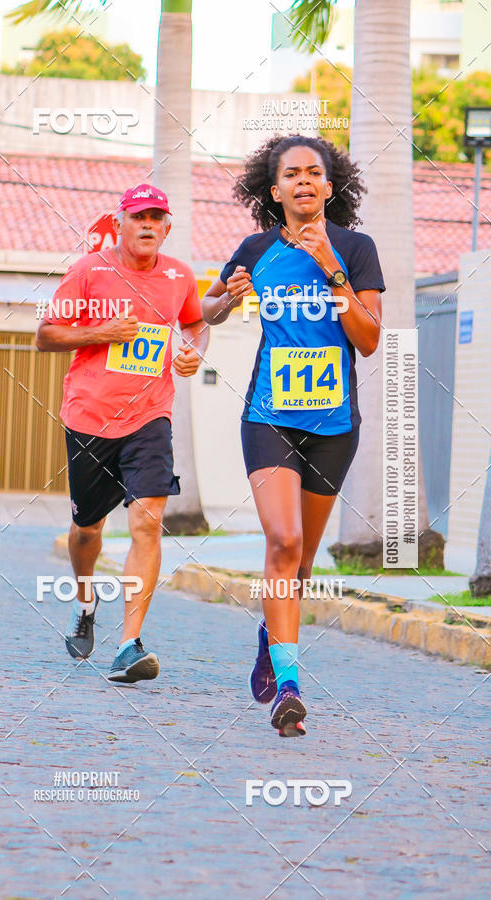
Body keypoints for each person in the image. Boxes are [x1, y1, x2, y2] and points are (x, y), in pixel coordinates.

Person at [202, 135, 385, 737]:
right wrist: (226, 299)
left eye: (314, 173)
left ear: (330, 188)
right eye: (291, 174)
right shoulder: (257, 248)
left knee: (300, 562)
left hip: (333, 424)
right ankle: (289, 686)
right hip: (270, 416)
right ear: (273, 190)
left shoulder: (356, 249)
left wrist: (332, 266)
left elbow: (368, 337)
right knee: (282, 541)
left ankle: (269, 634)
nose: (304, 181)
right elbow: (208, 310)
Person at [36, 183, 208, 682]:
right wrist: (100, 333)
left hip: (151, 415)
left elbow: (195, 323)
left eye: (157, 216)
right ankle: (85, 600)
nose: (148, 224)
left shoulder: (179, 276)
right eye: (139, 216)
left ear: (167, 227)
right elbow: (46, 335)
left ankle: (130, 644)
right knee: (88, 528)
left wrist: (194, 350)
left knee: (148, 524)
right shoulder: (89, 271)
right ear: (120, 223)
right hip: (89, 416)